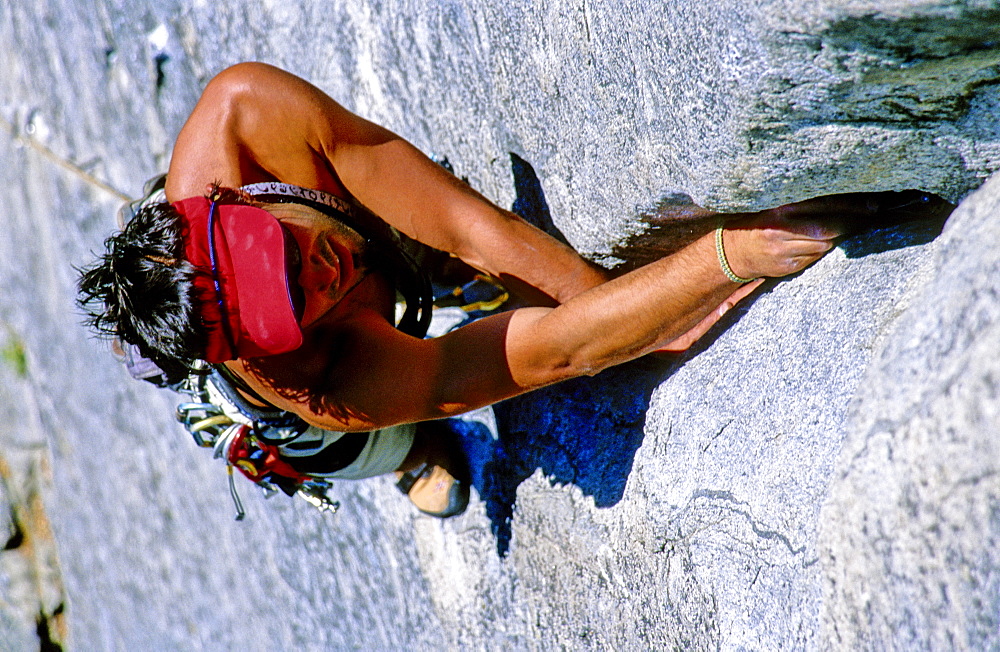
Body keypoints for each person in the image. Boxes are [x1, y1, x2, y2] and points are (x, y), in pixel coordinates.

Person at [77, 62, 947, 518]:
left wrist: (616, 298)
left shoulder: (246, 117)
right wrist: (732, 255)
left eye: (285, 253)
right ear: (275, 340)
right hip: (305, 408)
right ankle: (411, 458)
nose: (320, 277)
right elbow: (557, 351)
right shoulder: (316, 382)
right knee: (384, 441)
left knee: (432, 248)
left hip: (310, 223)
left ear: (232, 203)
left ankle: (415, 276)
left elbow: (472, 227)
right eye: (291, 307)